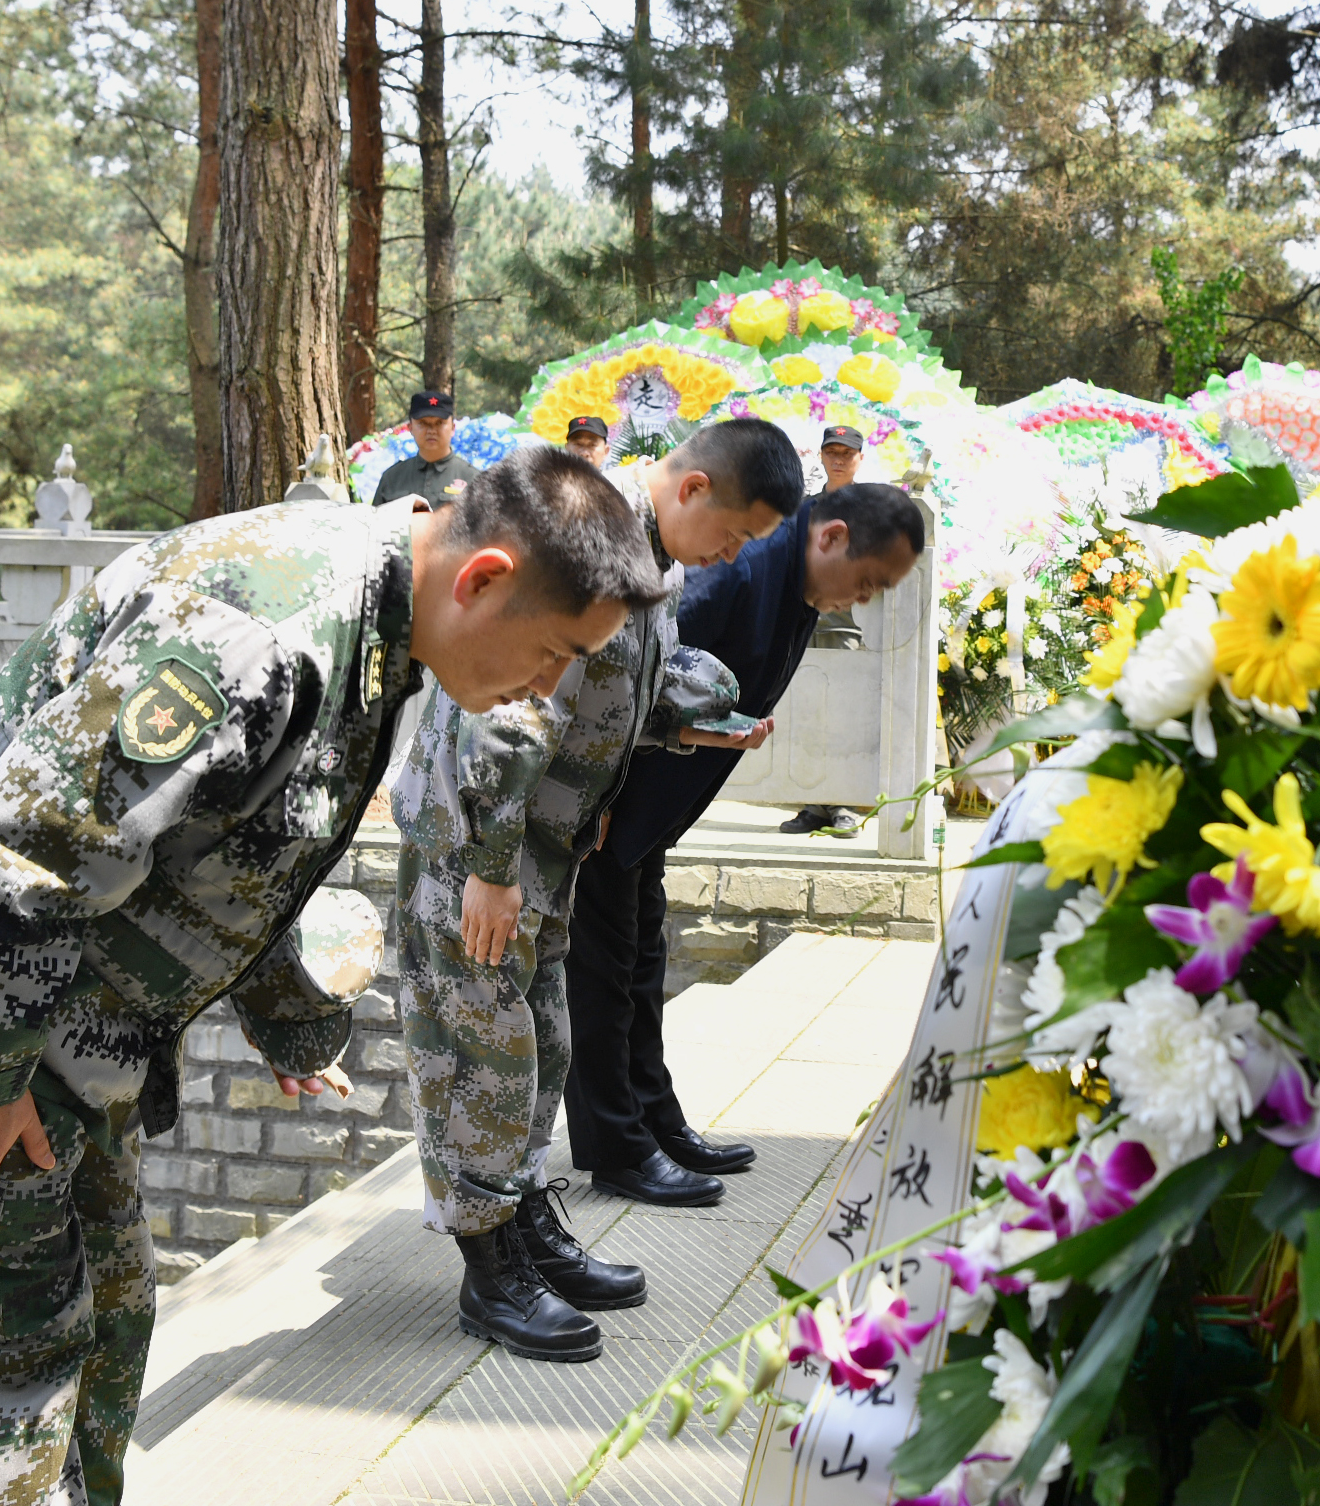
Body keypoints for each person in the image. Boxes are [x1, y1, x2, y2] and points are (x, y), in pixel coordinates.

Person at [0, 451, 664, 1506]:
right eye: (553, 653)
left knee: (108, 1322)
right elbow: (19, 851)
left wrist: (291, 1023)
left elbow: (243, 841)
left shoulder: (382, 616)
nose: (548, 688)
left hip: (49, 1017)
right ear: (484, 577)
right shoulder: (259, 633)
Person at [389, 417, 803, 1362]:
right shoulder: (585, 543)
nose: (732, 557)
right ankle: (489, 1269)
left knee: (539, 1044)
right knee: (480, 1054)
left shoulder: (654, 566)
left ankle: (525, 1225)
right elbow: (498, 708)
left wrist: (692, 728)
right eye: (734, 536)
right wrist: (491, 867)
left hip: (543, 847)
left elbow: (612, 696)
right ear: (692, 489)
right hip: (481, 847)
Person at [571, 485, 925, 1206]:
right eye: (867, 581)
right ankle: (618, 1147)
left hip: (650, 809)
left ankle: (654, 1119)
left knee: (641, 957)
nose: (860, 601)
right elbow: (622, 666)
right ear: (830, 538)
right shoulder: (736, 571)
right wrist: (592, 792)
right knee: (603, 974)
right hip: (610, 802)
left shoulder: (793, 580)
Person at [780, 424, 871, 836]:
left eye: (846, 453)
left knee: (844, 718)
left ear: (860, 459)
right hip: (805, 624)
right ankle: (814, 803)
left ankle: (846, 803)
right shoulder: (806, 508)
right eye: (831, 451)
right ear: (819, 456)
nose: (838, 459)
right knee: (810, 715)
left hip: (848, 626)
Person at [374, 391, 482, 506]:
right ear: (410, 428)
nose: (431, 430)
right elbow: (374, 522)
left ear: (452, 428)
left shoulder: (473, 479)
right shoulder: (392, 478)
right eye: (423, 423)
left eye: (439, 423)